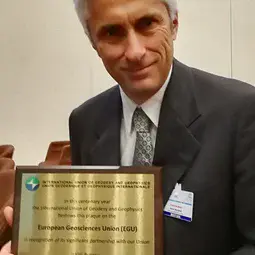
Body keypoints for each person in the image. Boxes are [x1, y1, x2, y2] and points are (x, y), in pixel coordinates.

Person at [1, 0, 255, 254]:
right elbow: (91, 235)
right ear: (94, 43)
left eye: (147, 24)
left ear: (174, 24)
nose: (135, 52)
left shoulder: (241, 112)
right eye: (112, 32)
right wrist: (41, 242)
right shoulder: (85, 121)